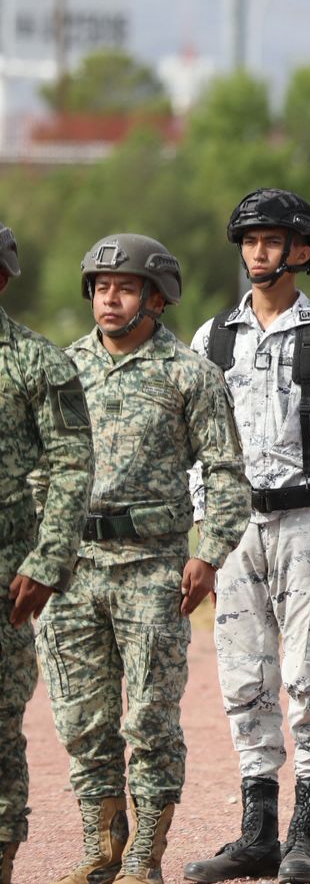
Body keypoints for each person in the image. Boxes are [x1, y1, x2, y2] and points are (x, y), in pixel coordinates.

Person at [184, 190, 310, 884]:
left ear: (301, 251)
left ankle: (307, 835)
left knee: (309, 675)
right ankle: (257, 834)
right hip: (238, 528)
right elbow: (196, 446)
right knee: (245, 677)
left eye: (272, 241)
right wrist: (206, 532)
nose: (258, 253)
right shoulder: (213, 339)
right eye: (249, 240)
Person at [40, 235, 248, 884]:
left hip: (153, 568)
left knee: (149, 720)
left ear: (156, 299)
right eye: (101, 288)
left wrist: (208, 554)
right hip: (72, 569)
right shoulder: (62, 369)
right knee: (81, 720)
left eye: (125, 288)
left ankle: (143, 857)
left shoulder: (189, 374)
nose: (110, 299)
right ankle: (102, 847)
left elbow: (227, 474)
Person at [0, 221, 93, 884]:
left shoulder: (38, 363)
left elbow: (71, 465)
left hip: (7, 571)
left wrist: (48, 559)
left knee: (0, 723)